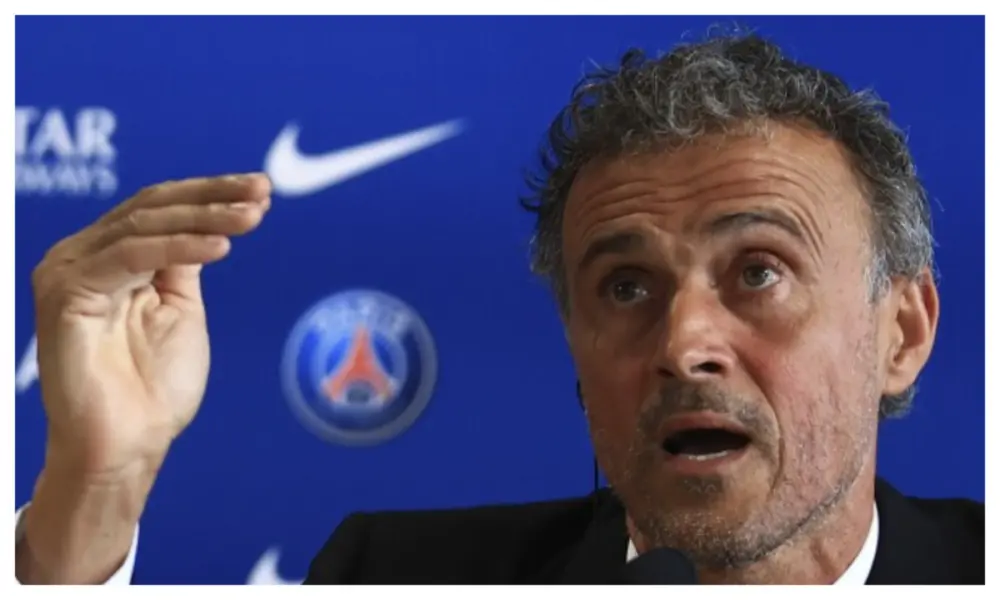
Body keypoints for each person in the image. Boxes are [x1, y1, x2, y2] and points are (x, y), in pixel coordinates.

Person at [14, 31, 984, 586]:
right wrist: (98, 483)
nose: (684, 341)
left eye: (759, 273)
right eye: (625, 287)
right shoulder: (395, 577)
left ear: (900, 332)